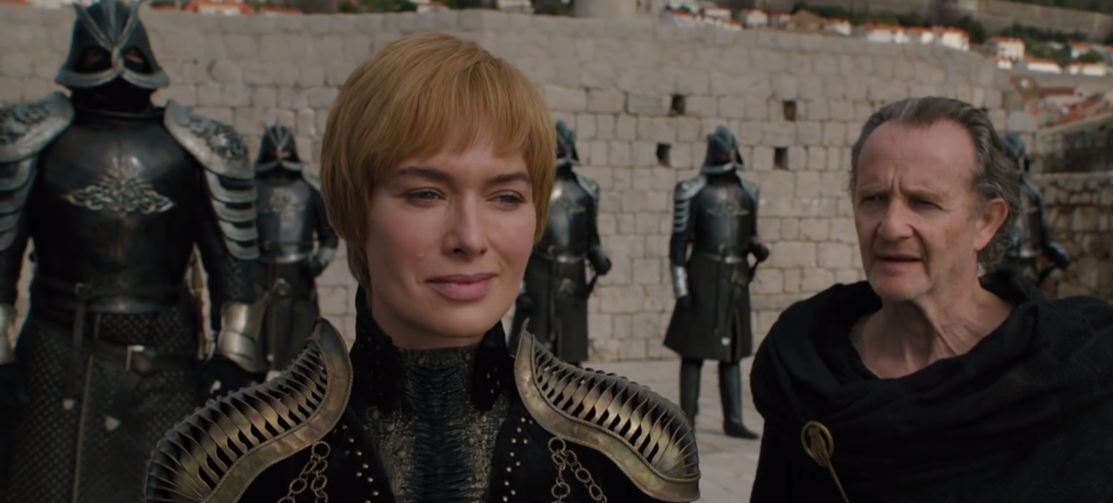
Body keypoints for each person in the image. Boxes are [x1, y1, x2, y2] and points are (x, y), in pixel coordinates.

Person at [144, 32, 701, 503]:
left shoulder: (635, 450)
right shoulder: (221, 466)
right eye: (425, 194)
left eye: (506, 197)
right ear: (353, 208)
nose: (470, 238)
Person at [748, 96, 1113, 503]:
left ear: (986, 221)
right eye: (873, 198)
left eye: (923, 202)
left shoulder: (1084, 376)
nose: (891, 227)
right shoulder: (806, 373)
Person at [0, 0, 267, 501]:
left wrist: (235, 352)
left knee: (167, 486)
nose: (117, 65)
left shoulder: (199, 145)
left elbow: (233, 259)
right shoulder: (29, 139)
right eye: (100, 56)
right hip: (58, 353)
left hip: (164, 354)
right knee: (45, 487)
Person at [663, 125, 769, 440]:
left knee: (732, 353)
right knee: (693, 351)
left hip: (735, 277)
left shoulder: (748, 191)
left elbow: (749, 234)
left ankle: (733, 419)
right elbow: (679, 243)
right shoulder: (691, 190)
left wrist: (757, 247)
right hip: (702, 274)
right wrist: (681, 287)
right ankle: (687, 419)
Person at [510, 120, 612, 366]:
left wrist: (599, 257)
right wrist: (521, 288)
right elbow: (517, 244)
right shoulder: (531, 190)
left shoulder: (587, 190)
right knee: (529, 355)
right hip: (539, 273)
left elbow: (590, 238)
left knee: (570, 355)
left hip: (572, 277)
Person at [253, 121, 339, 377]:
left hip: (299, 272)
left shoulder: (310, 188)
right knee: (255, 345)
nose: (279, 158)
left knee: (300, 345)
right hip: (259, 272)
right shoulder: (251, 188)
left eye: (284, 152)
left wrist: (318, 262)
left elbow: (329, 236)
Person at [1000, 132, 1071, 285]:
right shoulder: (988, 196)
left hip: (1028, 269)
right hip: (999, 266)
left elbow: (1045, 239)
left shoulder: (1033, 196)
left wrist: (1057, 253)